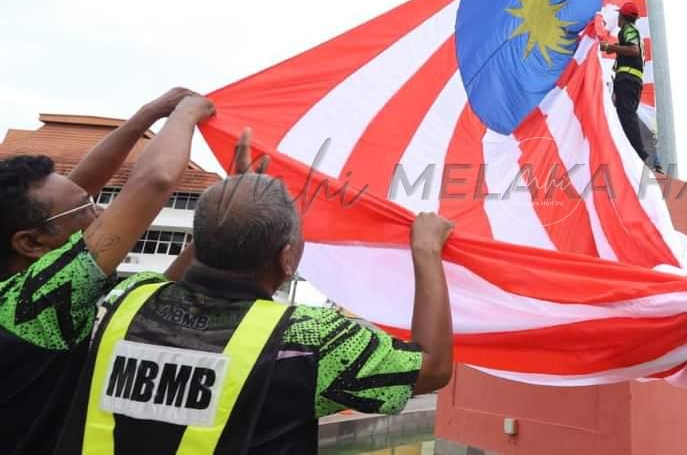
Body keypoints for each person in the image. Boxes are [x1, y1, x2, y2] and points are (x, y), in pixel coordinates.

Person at [56, 168, 455, 454]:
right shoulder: (312, 338)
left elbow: (169, 284)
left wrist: (226, 216)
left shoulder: (123, 301)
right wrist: (426, 251)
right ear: (286, 258)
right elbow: (432, 368)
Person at [0, 89, 215, 455]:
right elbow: (155, 181)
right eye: (88, 208)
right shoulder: (33, 305)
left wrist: (147, 115)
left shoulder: (20, 279)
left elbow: (74, 195)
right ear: (31, 243)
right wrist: (188, 112)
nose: (99, 213)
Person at [601, 1, 658, 171]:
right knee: (625, 115)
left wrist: (610, 47)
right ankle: (633, 151)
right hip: (631, 81)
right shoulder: (631, 32)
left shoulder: (629, 30)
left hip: (628, 80)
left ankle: (640, 154)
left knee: (627, 115)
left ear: (622, 17)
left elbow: (633, 50)